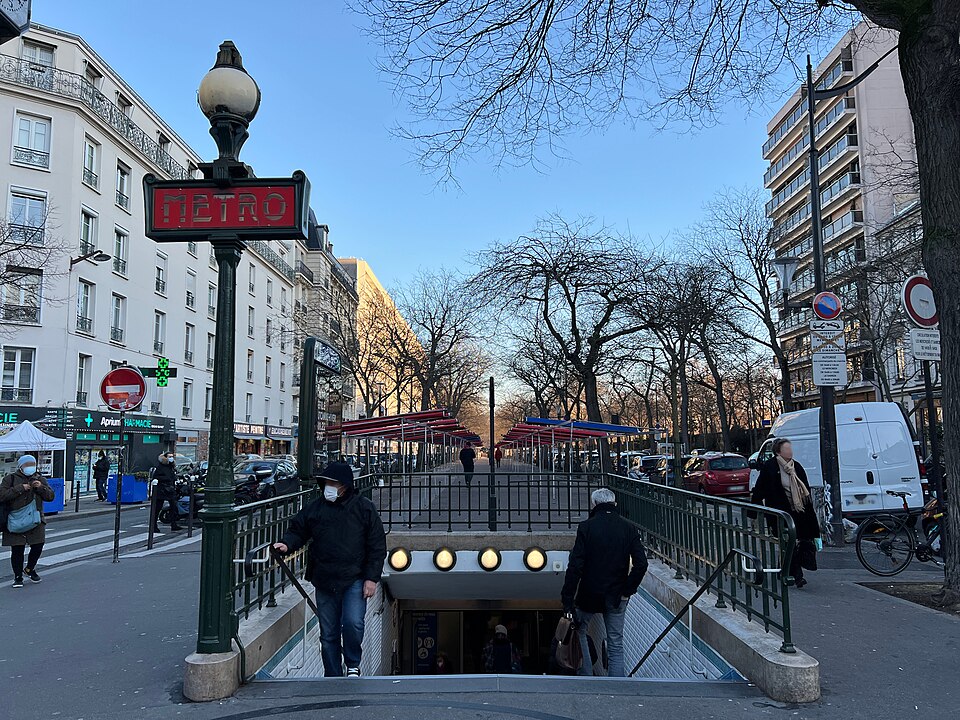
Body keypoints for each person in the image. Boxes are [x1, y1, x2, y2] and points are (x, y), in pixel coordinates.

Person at [273, 462, 387, 678]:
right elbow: (299, 529)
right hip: (324, 578)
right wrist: (287, 544)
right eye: (327, 482)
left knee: (353, 623)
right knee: (328, 634)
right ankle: (333, 674)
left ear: (345, 485)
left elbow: (377, 545)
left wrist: (371, 578)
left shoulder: (363, 508)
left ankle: (352, 663)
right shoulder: (315, 508)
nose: (329, 487)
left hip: (354, 577)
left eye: (333, 483)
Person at [561, 488, 648, 677]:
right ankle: (617, 688)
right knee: (616, 642)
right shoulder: (629, 528)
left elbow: (575, 566)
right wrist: (628, 589)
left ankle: (586, 676)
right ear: (614, 504)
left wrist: (567, 597)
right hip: (617, 594)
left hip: (589, 593)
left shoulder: (586, 527)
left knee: (580, 631)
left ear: (594, 504)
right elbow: (641, 564)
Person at [751, 438, 820, 589]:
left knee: (795, 542)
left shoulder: (797, 467)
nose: (790, 451)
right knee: (789, 543)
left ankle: (783, 568)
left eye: (791, 448)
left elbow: (805, 492)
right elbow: (760, 488)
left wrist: (812, 519)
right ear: (778, 451)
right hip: (780, 513)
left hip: (799, 512)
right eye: (787, 449)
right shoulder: (770, 467)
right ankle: (797, 576)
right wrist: (753, 512)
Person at [1, 455, 55, 588]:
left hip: (35, 519)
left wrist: (40, 487)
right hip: (15, 519)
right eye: (27, 464)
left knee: (38, 545)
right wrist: (21, 488)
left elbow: (50, 497)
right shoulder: (10, 479)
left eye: (33, 464)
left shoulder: (40, 478)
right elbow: (2, 496)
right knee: (17, 549)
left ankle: (30, 569)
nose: (30, 467)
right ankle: (18, 577)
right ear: (21, 466)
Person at [151, 452, 182, 533]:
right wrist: (167, 478)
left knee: (173, 507)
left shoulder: (171, 466)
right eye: (169, 456)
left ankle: (173, 524)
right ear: (165, 457)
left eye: (172, 456)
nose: (171, 458)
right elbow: (156, 477)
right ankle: (154, 526)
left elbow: (173, 475)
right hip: (161, 489)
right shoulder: (160, 466)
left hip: (170, 489)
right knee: (157, 508)